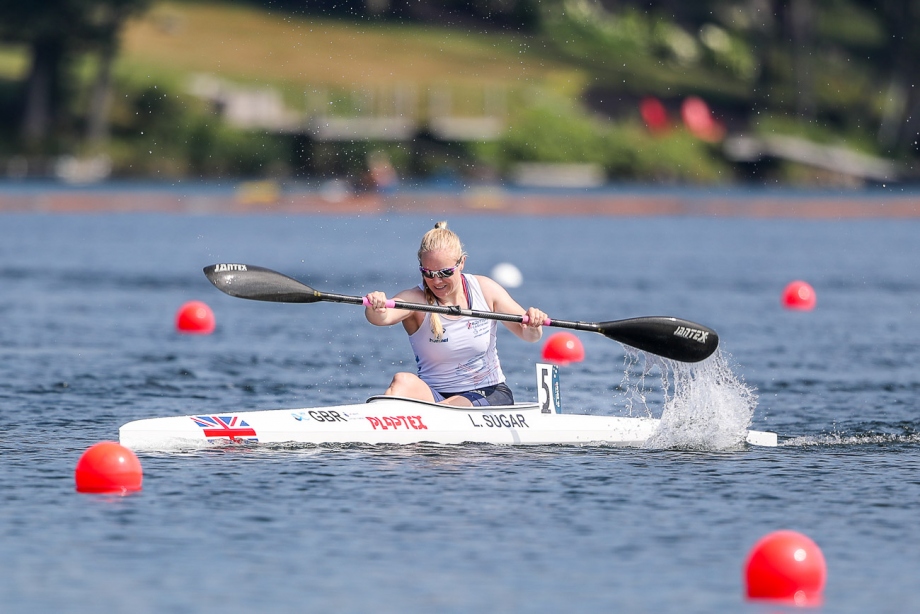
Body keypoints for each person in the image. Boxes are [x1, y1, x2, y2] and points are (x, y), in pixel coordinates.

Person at [364, 221, 547, 407]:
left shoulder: (485, 289)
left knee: (450, 406)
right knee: (402, 381)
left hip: (489, 392)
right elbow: (382, 318)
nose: (436, 281)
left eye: (444, 272)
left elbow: (529, 335)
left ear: (462, 263)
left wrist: (534, 325)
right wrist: (376, 307)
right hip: (435, 396)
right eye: (428, 273)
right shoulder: (415, 299)